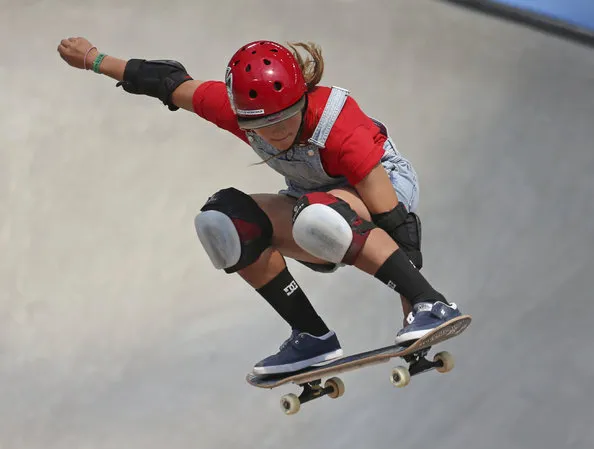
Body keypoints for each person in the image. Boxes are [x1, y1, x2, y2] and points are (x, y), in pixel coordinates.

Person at [57, 36, 464, 375]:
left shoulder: (340, 126)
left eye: (286, 120)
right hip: (312, 207)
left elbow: (397, 223)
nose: (276, 134)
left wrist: (418, 313)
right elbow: (165, 81)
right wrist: (94, 60)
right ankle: (312, 338)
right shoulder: (234, 109)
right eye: (260, 127)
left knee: (319, 216)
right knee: (224, 223)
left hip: (384, 188)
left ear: (302, 99)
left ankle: (434, 302)